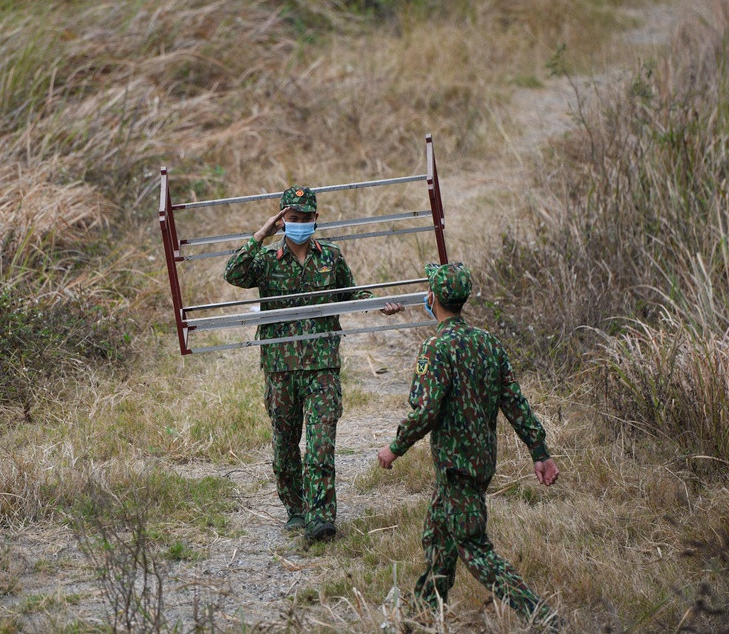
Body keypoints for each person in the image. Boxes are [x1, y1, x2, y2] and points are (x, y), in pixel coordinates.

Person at [377, 262, 561, 628]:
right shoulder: (488, 343)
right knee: (437, 535)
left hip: (455, 465)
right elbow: (515, 401)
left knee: (474, 547)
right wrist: (538, 450)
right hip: (479, 462)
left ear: (432, 298)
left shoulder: (436, 348)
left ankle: (541, 616)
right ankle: (425, 612)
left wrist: (395, 447)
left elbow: (427, 411)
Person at [225, 186, 403, 543]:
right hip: (281, 367)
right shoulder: (265, 261)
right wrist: (261, 235)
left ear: (316, 219)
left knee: (321, 444)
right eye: (293, 218)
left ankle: (321, 518)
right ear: (282, 220)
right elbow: (233, 273)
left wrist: (378, 301)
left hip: (322, 365)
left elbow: (350, 293)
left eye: (307, 218)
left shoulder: (331, 258)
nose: (301, 224)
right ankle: (296, 509)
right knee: (285, 445)